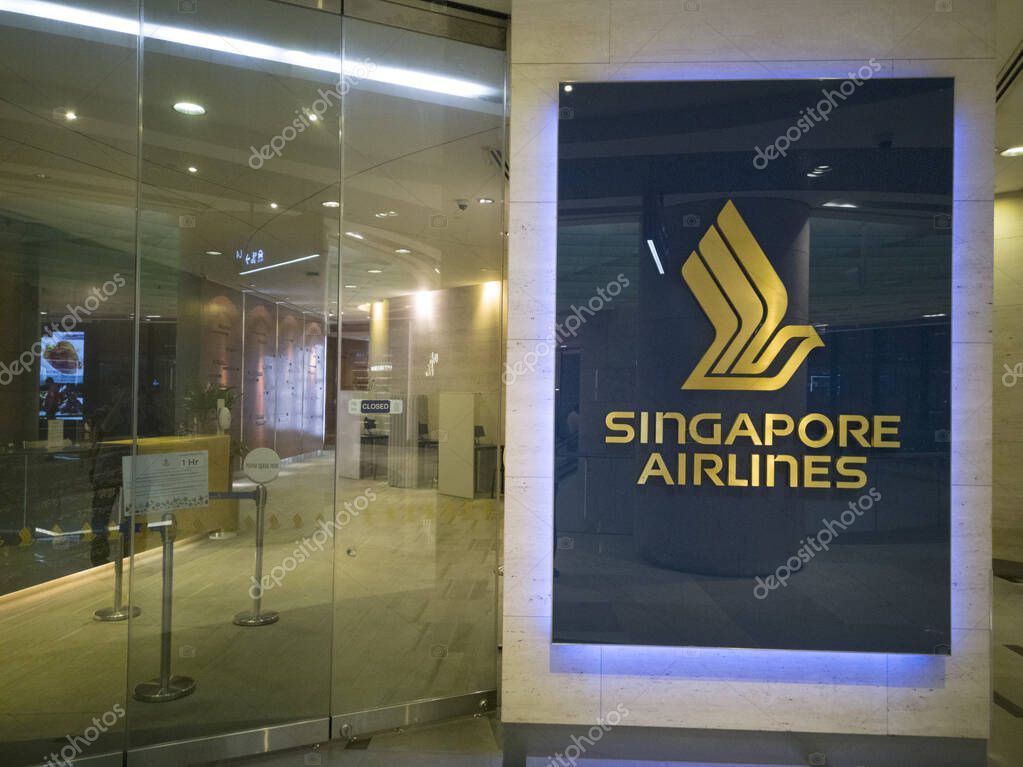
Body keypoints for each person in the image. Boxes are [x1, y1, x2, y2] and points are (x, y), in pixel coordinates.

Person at [87, 386, 131, 566]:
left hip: (127, 467)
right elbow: (103, 428)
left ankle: (129, 553)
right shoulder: (104, 411)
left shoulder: (132, 413)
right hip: (106, 469)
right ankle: (99, 555)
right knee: (101, 514)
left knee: (131, 515)